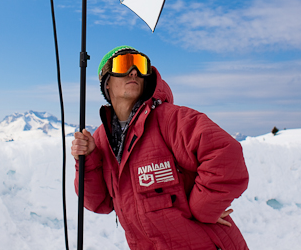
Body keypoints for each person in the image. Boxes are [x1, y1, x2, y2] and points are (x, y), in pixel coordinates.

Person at [72, 46, 250, 250]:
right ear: (107, 83)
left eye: (140, 65)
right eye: (123, 64)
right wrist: (88, 159)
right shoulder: (102, 139)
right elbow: (99, 203)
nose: (133, 72)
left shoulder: (170, 119)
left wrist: (203, 210)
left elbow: (226, 154)